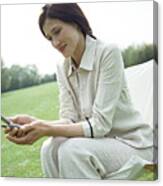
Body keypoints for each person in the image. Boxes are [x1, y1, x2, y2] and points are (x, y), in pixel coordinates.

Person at [4, 3, 154, 179]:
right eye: (49, 38)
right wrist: (34, 123)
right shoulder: (62, 67)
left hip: (132, 144)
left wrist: (44, 128)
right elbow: (69, 119)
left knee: (72, 150)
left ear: (75, 22)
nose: (55, 43)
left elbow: (100, 125)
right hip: (97, 142)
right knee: (49, 148)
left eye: (57, 31)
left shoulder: (107, 53)